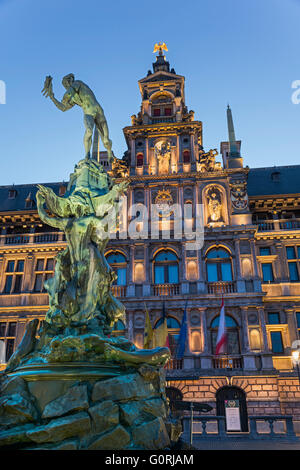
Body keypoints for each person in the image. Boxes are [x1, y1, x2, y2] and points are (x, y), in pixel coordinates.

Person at [42, 74, 113, 161]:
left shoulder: (78, 83)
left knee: (105, 139)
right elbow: (63, 108)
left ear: (71, 80)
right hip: (88, 114)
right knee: (89, 131)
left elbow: (70, 92)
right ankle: (87, 154)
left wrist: (65, 98)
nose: (66, 86)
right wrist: (52, 97)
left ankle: (109, 151)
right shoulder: (74, 98)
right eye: (64, 85)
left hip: (98, 112)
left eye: (66, 84)